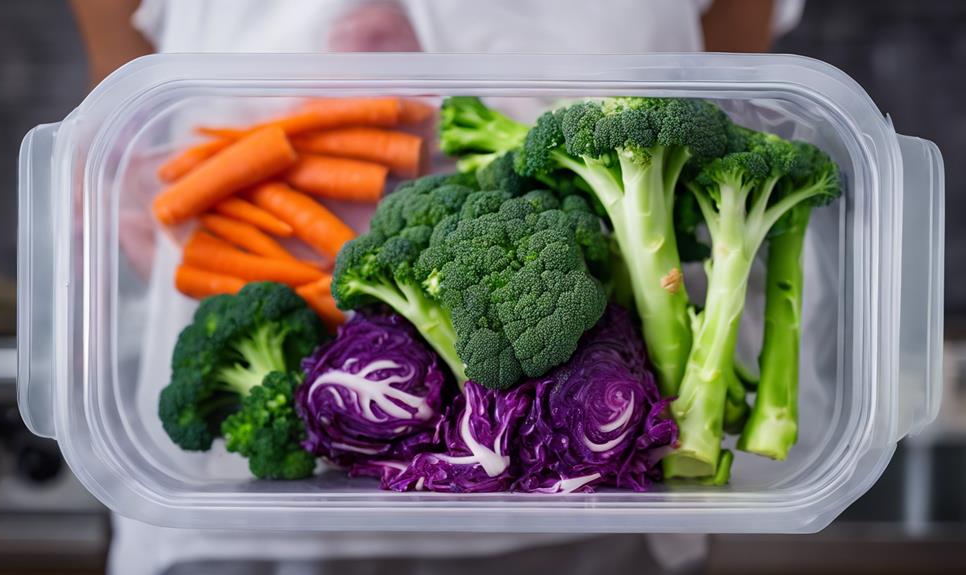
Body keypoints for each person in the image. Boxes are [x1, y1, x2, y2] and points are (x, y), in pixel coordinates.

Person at [68, 2, 805, 574]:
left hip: (610, 497)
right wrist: (158, 179)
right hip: (227, 516)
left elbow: (729, 60)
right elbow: (121, 69)